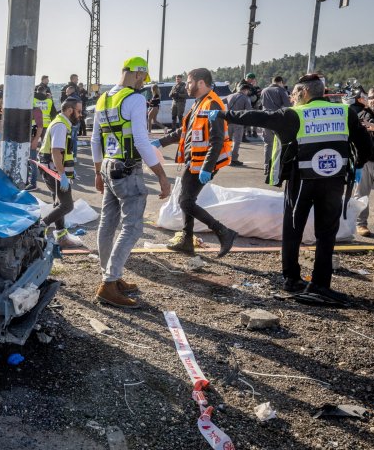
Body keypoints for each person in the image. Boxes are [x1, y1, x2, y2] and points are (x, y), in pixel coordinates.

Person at [222, 73, 372, 305]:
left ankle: (292, 278)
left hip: (302, 180)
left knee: (293, 229)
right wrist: (358, 165)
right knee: (326, 233)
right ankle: (321, 284)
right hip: (333, 181)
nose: (292, 98)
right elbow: (365, 144)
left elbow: (258, 117)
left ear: (304, 92)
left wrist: (223, 114)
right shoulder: (345, 112)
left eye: (293, 94)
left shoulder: (295, 114)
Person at [92, 56, 172, 308]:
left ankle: (110, 276)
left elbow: (95, 140)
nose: (143, 83)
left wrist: (97, 172)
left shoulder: (104, 99)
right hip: (127, 169)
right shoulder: (135, 99)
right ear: (137, 74)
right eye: (143, 78)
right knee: (133, 227)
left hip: (108, 166)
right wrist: (162, 176)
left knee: (107, 224)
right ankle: (109, 283)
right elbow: (140, 140)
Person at [153, 68, 238, 257]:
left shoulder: (212, 104)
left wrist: (207, 168)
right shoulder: (199, 102)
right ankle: (186, 240)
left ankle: (224, 232)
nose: (186, 86)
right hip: (195, 161)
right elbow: (184, 131)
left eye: (189, 82)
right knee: (185, 200)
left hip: (204, 164)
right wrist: (160, 142)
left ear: (201, 83)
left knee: (185, 202)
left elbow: (217, 140)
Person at [38, 98, 84, 249]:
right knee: (67, 205)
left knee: (59, 204)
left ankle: (61, 237)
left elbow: (63, 152)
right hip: (55, 172)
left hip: (53, 170)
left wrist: (69, 170)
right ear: (70, 110)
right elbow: (56, 151)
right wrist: (62, 174)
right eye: (79, 111)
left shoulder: (61, 123)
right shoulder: (60, 125)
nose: (80, 115)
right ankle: (39, 227)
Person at [356, 85, 374, 237]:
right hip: (364, 162)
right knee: (361, 195)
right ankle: (361, 224)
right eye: (371, 97)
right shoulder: (360, 115)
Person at [260, 76, 292, 175]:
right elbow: (288, 106)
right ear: (281, 82)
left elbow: (262, 104)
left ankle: (266, 166)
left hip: (265, 118)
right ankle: (277, 167)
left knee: (268, 144)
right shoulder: (281, 90)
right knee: (279, 144)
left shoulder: (264, 90)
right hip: (277, 119)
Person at [227, 83, 253, 166]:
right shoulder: (245, 98)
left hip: (228, 121)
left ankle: (226, 158)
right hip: (238, 122)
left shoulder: (230, 96)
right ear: (245, 90)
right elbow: (249, 110)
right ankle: (234, 159)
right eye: (248, 91)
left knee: (227, 141)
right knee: (237, 142)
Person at [25, 103, 44, 191]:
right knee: (26, 162)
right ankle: (26, 181)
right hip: (23, 140)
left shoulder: (35, 110)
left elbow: (40, 126)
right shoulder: (24, 107)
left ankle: (33, 183)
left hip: (31, 140)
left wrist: (36, 140)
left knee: (32, 161)